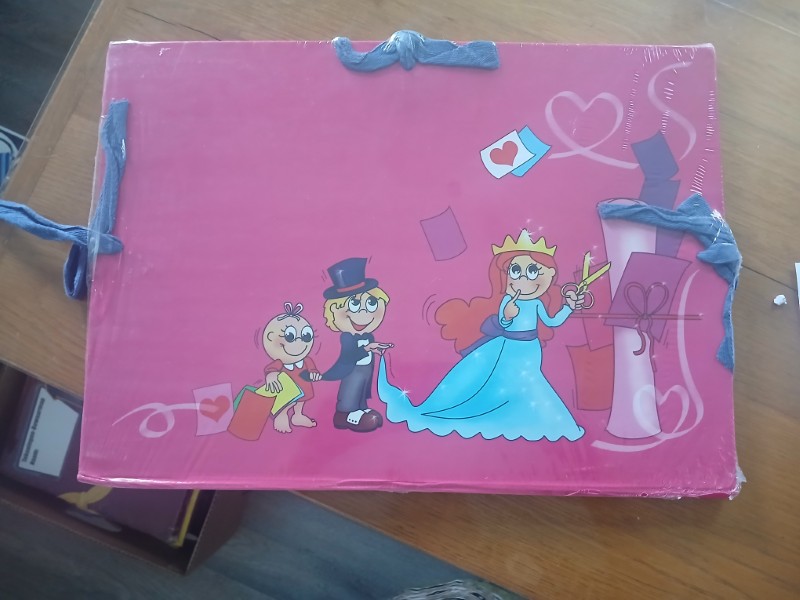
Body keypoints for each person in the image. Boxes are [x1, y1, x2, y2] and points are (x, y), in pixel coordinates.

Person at [378, 230, 586, 442]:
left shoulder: (536, 303)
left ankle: (532, 417)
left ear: (549, 275)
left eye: (532, 271)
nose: (522, 278)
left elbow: (552, 322)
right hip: (508, 347)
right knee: (489, 380)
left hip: (531, 348)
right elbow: (503, 321)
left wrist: (568, 307)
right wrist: (507, 315)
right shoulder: (508, 300)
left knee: (531, 380)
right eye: (515, 270)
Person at [308, 258, 393, 433]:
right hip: (352, 370)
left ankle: (361, 408)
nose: (364, 313)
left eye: (371, 304)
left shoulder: (368, 335)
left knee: (362, 389)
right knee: (351, 390)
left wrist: (375, 347)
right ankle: (345, 414)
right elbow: (349, 355)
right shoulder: (347, 337)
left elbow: (367, 347)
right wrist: (368, 348)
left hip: (365, 370)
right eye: (354, 305)